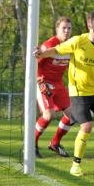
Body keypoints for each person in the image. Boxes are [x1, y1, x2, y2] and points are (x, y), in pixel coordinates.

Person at [34, 10, 94, 177]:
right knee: (86, 126)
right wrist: (41, 53)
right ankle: (75, 165)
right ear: (90, 25)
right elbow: (56, 50)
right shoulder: (78, 41)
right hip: (79, 92)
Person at [34, 17, 73, 158]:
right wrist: (39, 80)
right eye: (64, 28)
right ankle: (31, 144)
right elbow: (35, 61)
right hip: (43, 82)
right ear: (57, 29)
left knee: (72, 115)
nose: (67, 31)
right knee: (49, 115)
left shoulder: (70, 45)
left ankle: (55, 143)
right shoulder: (49, 44)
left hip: (59, 84)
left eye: (69, 28)